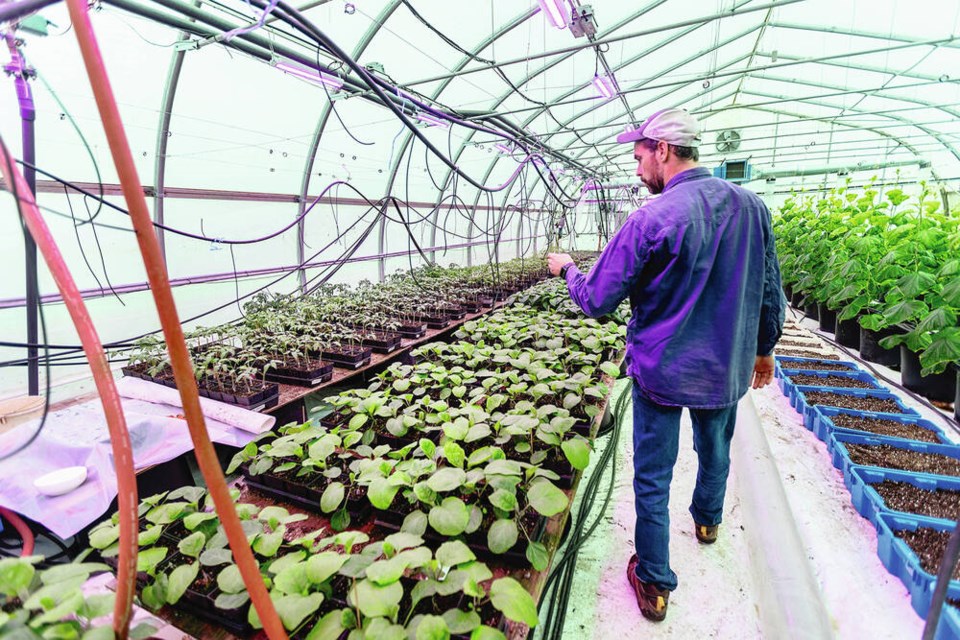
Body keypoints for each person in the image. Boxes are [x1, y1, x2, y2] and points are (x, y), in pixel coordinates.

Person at [546, 108, 785, 622]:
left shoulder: (649, 220)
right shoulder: (752, 208)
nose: (636, 171)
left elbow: (596, 300)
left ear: (662, 150)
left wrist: (567, 269)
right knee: (714, 449)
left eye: (638, 158)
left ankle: (654, 583)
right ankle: (708, 522)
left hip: (662, 371)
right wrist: (764, 349)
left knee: (652, 477)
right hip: (725, 368)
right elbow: (770, 286)